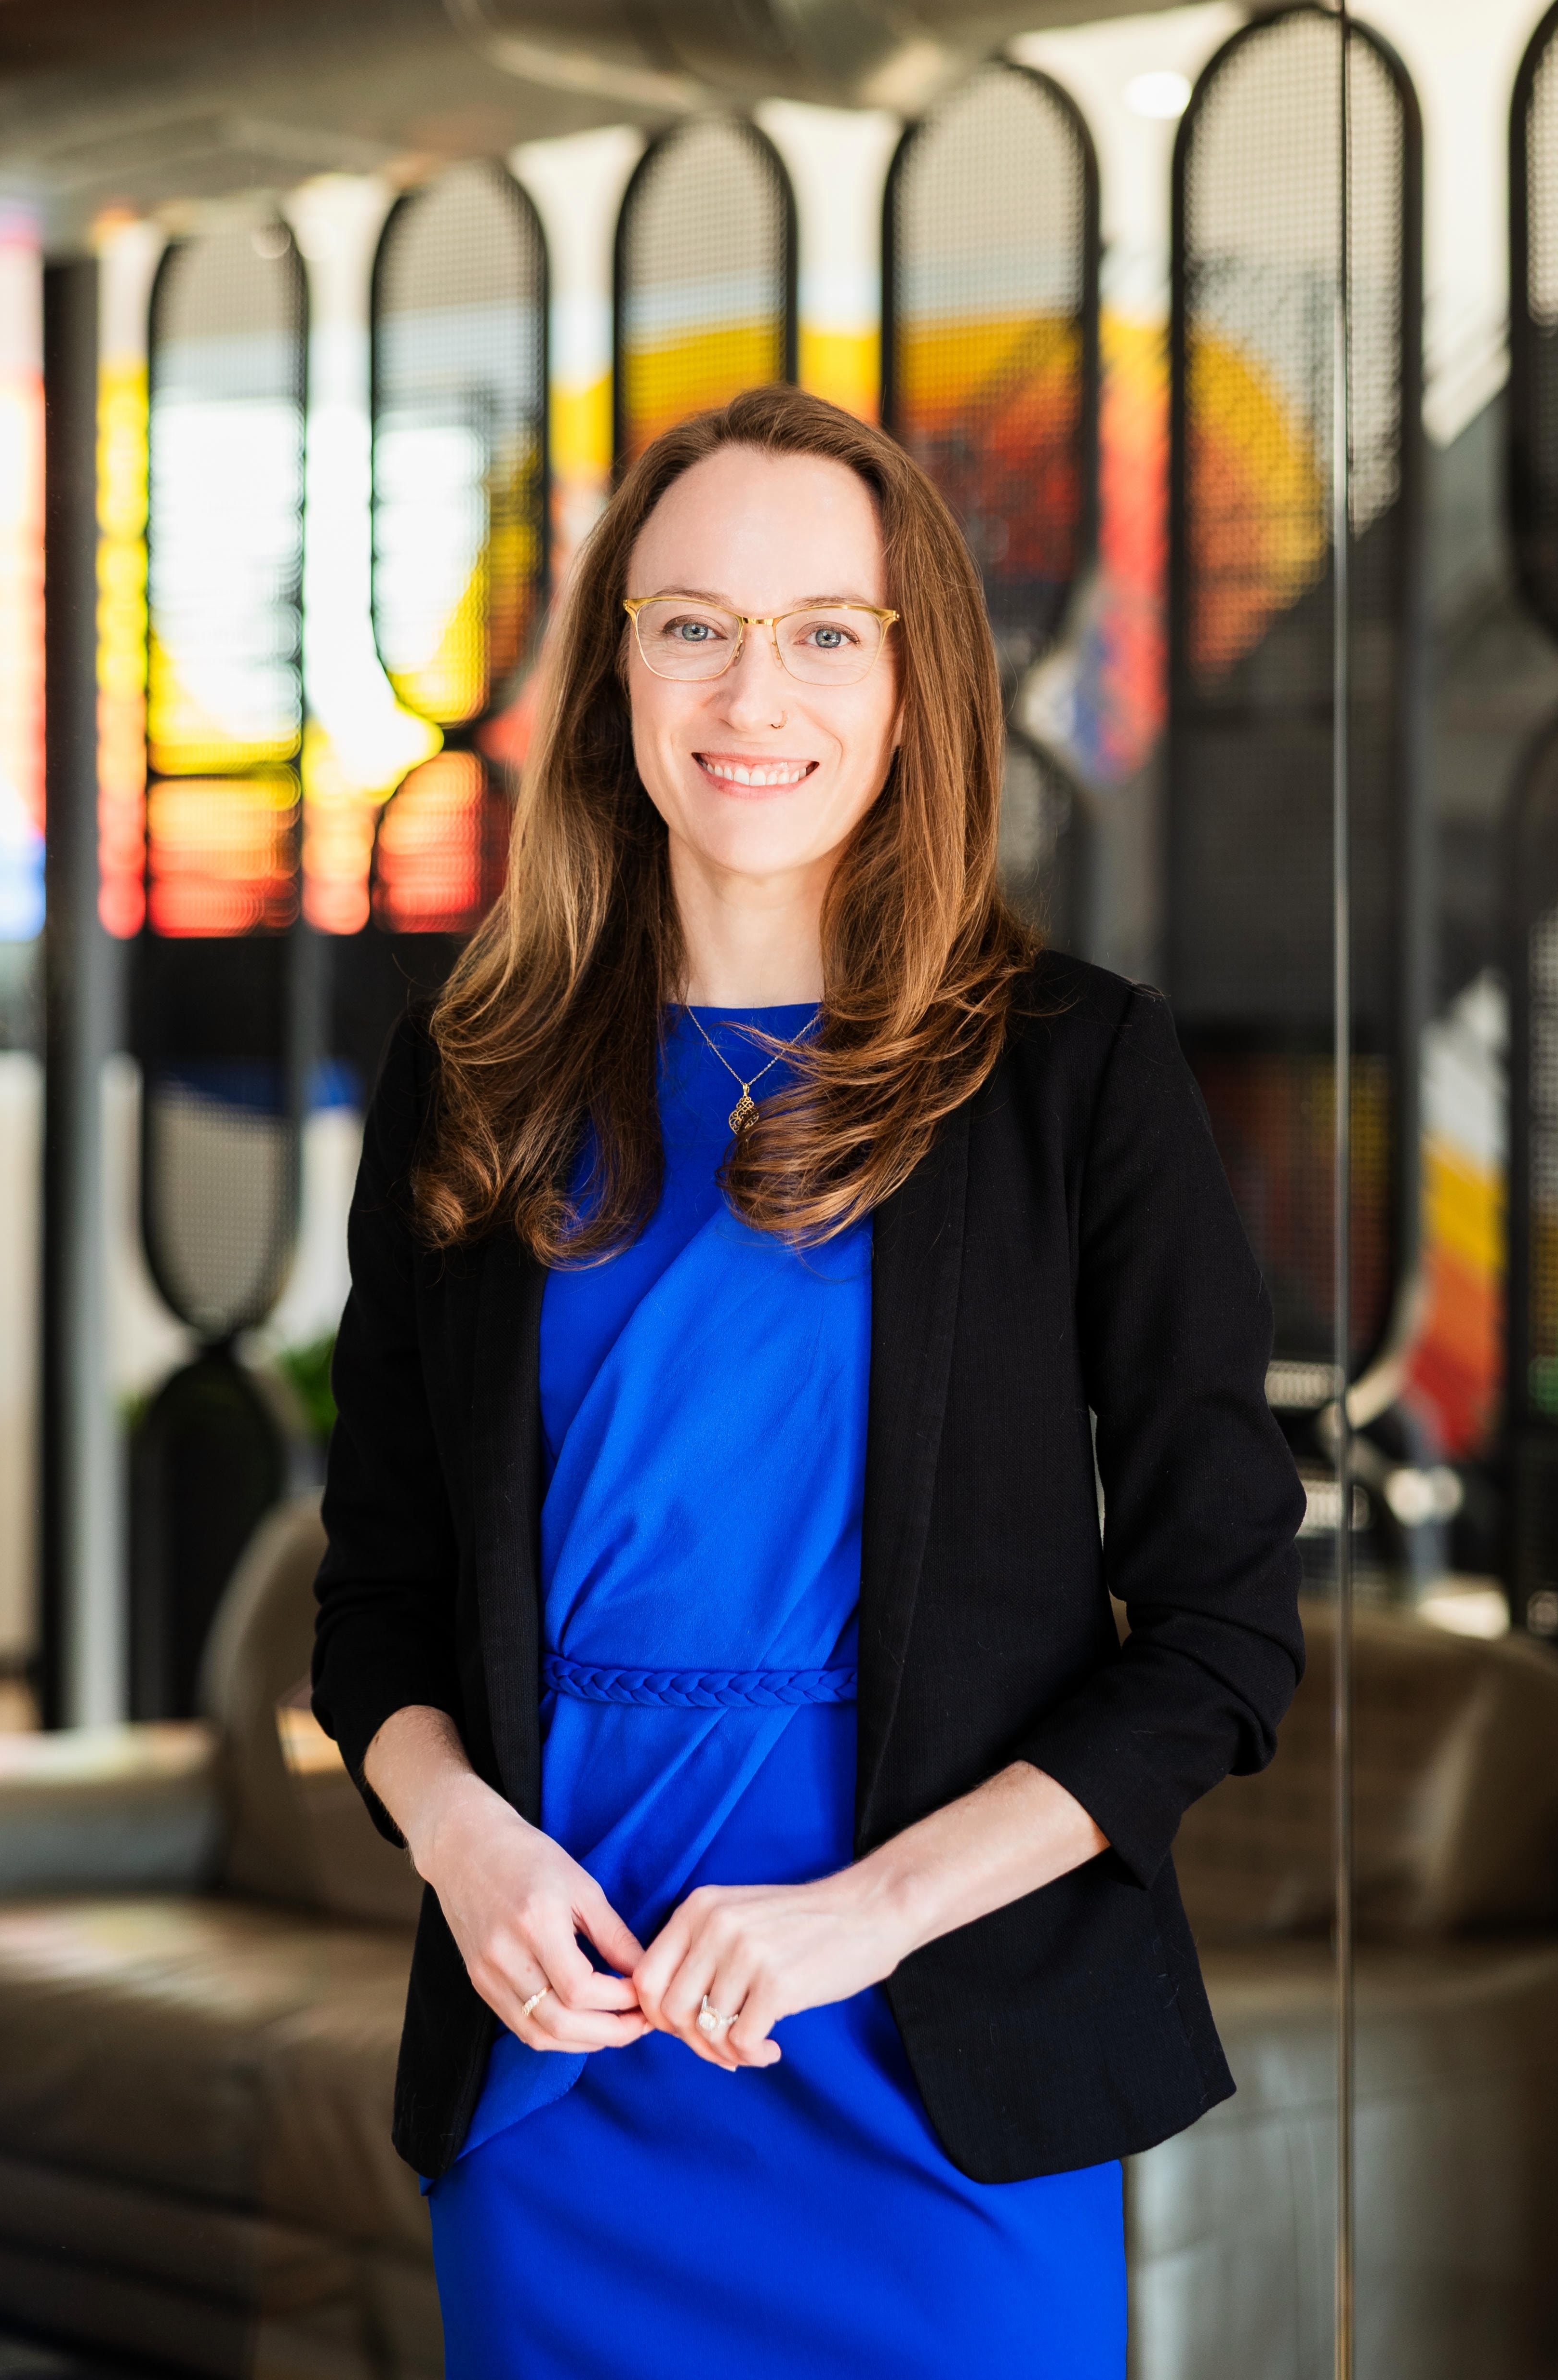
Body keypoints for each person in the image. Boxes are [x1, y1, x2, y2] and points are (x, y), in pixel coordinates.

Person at [311, 384, 1305, 2378]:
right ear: (611, 679)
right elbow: (380, 1606)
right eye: (689, 620)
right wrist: (462, 1843)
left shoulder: (1074, 1076)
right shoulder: (468, 1071)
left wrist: (861, 1914)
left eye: (821, 630)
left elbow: (1214, 1643)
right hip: (559, 2058)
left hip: (933, 2064)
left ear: (915, 678)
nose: (747, 687)